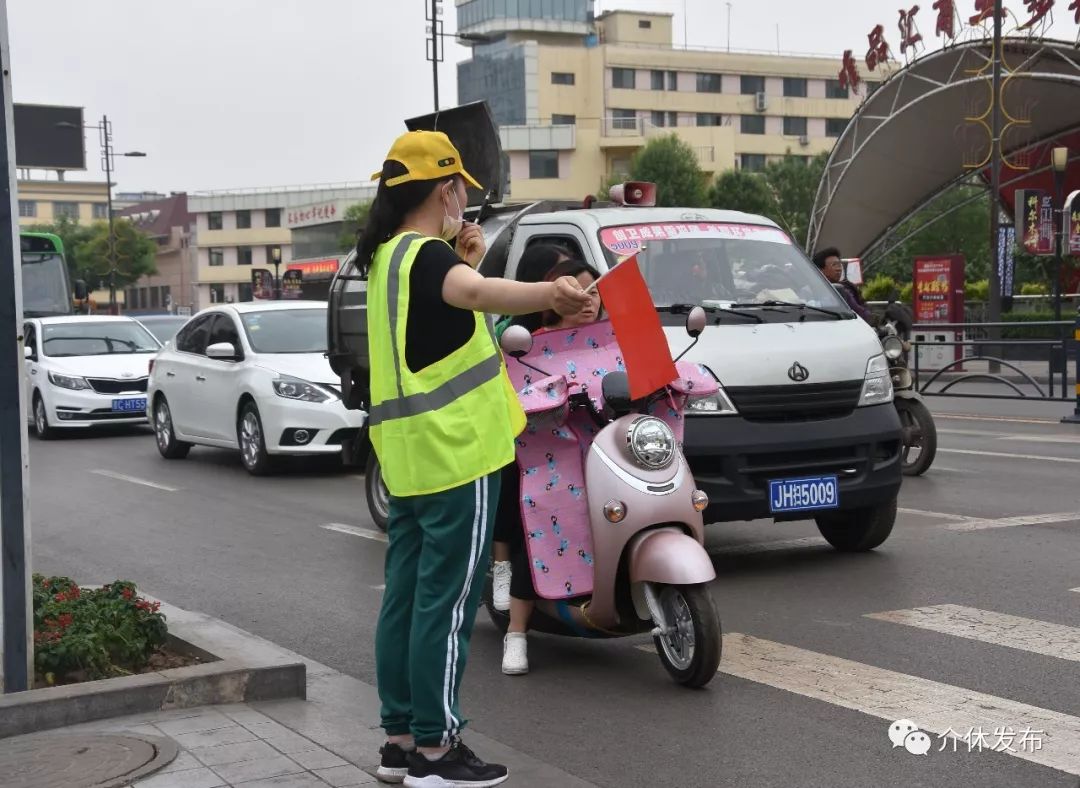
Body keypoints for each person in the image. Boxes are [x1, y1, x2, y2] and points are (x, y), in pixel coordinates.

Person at [364, 129, 591, 787]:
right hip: (456, 453)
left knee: (405, 600)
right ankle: (437, 752)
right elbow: (474, 296)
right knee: (448, 602)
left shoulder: (388, 260)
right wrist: (554, 294)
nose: (466, 198)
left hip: (408, 457)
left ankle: (400, 741)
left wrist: (472, 257)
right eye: (461, 187)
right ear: (446, 188)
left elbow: (452, 325)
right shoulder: (428, 260)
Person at [495, 260, 603, 676]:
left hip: (604, 452)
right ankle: (517, 632)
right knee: (538, 520)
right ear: (554, 300)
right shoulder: (530, 346)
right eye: (577, 291)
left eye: (594, 291)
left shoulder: (612, 341)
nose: (587, 300)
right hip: (546, 456)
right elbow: (519, 403)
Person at [493, 243, 572, 339]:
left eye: (573, 272)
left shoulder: (579, 318)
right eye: (563, 274)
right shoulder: (510, 336)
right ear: (538, 277)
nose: (572, 280)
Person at [812, 247, 872, 322]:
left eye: (839, 265)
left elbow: (863, 311)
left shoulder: (849, 287)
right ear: (821, 270)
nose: (839, 269)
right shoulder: (811, 291)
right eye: (834, 265)